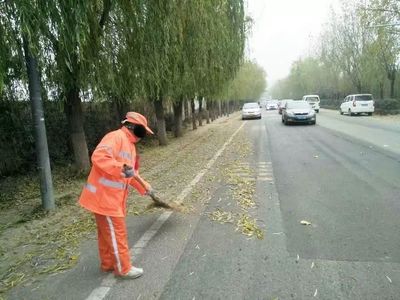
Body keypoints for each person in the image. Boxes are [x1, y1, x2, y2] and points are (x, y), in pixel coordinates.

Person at [79, 112, 154, 279]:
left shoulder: (130, 147)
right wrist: (121, 168)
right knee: (117, 232)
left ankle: (108, 264)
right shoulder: (115, 137)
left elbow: (130, 174)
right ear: (133, 127)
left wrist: (144, 188)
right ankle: (124, 269)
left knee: (107, 233)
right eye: (143, 132)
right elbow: (99, 157)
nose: (143, 137)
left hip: (108, 198)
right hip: (105, 198)